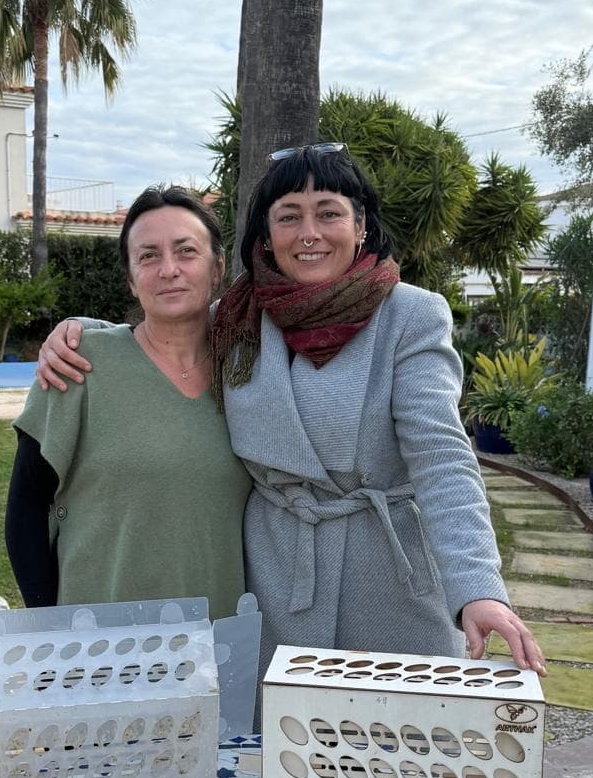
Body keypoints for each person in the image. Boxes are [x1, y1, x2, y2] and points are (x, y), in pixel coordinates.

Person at [37, 145, 544, 675]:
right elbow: (160, 328)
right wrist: (78, 332)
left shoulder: (410, 316)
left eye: (328, 213)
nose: (309, 233)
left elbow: (442, 459)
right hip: (276, 578)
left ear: (361, 225)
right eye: (288, 217)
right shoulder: (235, 319)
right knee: (281, 744)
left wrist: (478, 590)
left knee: (395, 742)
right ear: (265, 235)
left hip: (389, 579)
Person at [5, 185, 250, 617]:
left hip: (218, 646)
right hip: (99, 650)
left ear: (218, 267)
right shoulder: (79, 363)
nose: (168, 269)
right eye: (148, 256)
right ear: (130, 279)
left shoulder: (251, 374)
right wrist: (47, 625)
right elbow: (26, 509)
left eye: (186, 251)